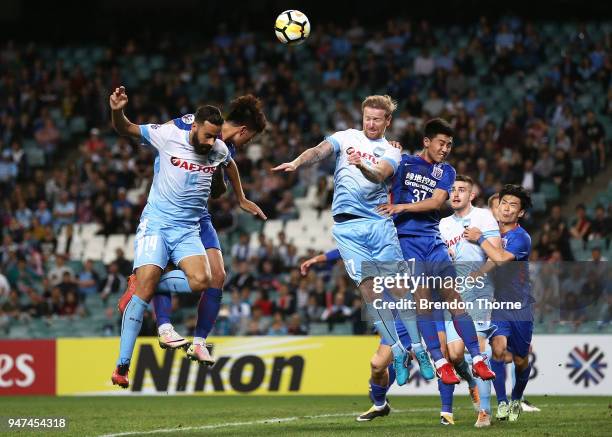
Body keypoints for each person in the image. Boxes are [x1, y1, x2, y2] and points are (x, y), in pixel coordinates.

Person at [273, 95, 416, 403]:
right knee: (369, 293)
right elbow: (319, 151)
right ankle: (399, 348)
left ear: (388, 122)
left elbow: (379, 175)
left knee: (401, 290)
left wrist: (362, 164)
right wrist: (298, 161)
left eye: (378, 119)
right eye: (368, 117)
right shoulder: (345, 137)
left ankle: (414, 346)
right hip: (347, 226)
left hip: (377, 224)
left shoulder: (391, 151)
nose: (371, 123)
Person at [117, 95, 268, 365]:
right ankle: (160, 319)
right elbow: (167, 138)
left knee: (217, 276)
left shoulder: (224, 148)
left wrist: (239, 197)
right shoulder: (191, 128)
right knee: (161, 270)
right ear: (244, 131)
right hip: (169, 214)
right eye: (252, 138)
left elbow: (221, 180)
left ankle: (198, 343)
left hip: (198, 217)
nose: (249, 143)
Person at [109, 86, 226, 388]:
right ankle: (122, 366)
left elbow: (230, 167)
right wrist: (117, 110)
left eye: (216, 136)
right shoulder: (167, 135)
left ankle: (142, 282)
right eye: (208, 135)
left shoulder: (219, 150)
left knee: (203, 280)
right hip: (157, 224)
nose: (212, 142)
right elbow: (126, 128)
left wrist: (238, 196)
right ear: (195, 126)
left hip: (187, 229)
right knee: (146, 290)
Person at [377, 118, 495, 393]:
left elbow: (435, 201)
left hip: (433, 241)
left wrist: (401, 206)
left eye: (450, 145)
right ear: (426, 142)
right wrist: (390, 152)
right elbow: (379, 170)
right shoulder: (404, 163)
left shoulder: (447, 171)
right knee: (422, 303)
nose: (445, 149)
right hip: (406, 242)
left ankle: (477, 357)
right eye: (441, 143)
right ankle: (439, 360)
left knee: (454, 297)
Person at [463, 184, 534, 422]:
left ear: (520, 213)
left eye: (513, 205)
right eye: (504, 203)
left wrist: (480, 238)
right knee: (498, 349)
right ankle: (502, 402)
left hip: (521, 304)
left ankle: (516, 398)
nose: (507, 208)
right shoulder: (491, 232)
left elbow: (501, 259)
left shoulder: (520, 237)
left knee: (521, 359)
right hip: (498, 304)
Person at [439, 175, 501, 427]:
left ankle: (484, 412)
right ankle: (473, 382)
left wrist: (478, 271)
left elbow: (497, 256)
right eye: (452, 190)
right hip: (452, 292)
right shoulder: (442, 223)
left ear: (471, 195)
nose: (455, 194)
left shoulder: (484, 217)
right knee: (454, 355)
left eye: (462, 190)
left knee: (479, 349)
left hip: (479, 289)